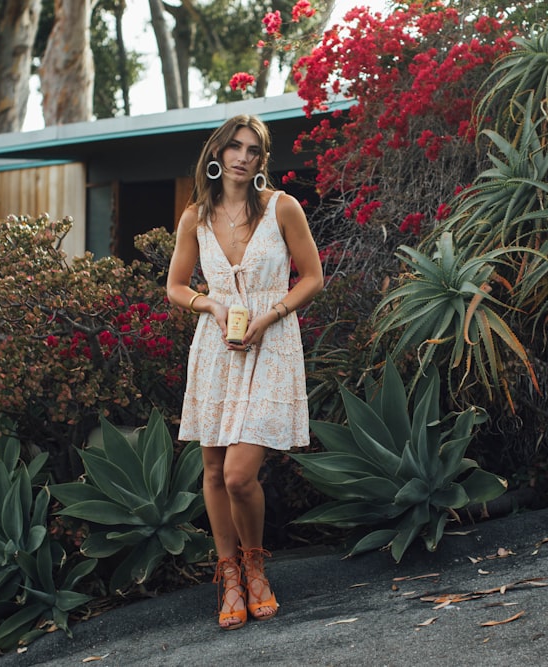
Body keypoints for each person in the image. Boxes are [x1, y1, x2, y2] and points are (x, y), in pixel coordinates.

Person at [166, 115, 324, 630]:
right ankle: (229, 576)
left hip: (271, 342)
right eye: (233, 147)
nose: (241, 156)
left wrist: (270, 316)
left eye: (252, 150)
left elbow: (313, 278)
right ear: (217, 152)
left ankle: (255, 566)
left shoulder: (283, 207)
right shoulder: (195, 216)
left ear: (261, 160)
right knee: (212, 471)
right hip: (217, 346)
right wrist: (209, 307)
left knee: (238, 475)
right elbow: (175, 286)